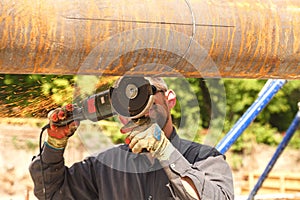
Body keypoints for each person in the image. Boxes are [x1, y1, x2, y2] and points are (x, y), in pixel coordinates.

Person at [29, 76, 234, 200]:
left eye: (145, 94)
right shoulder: (105, 166)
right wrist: (54, 145)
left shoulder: (204, 158)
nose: (137, 108)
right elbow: (52, 194)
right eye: (125, 100)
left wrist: (166, 152)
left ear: (169, 99)